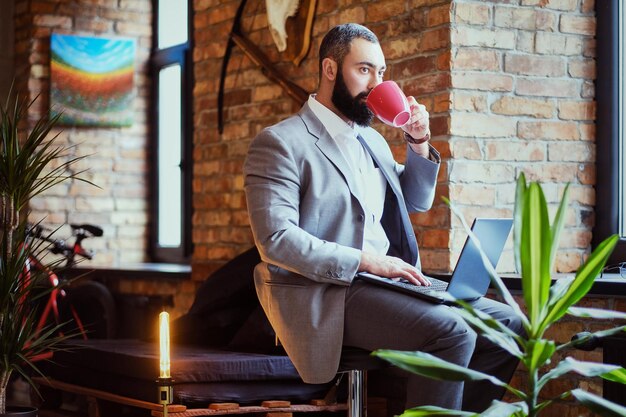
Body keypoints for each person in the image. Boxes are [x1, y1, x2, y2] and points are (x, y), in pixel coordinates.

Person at [243, 23, 522, 412]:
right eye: (364, 70)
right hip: (329, 291)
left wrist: (418, 141)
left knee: (508, 324)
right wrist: (368, 261)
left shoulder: (371, 139)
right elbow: (275, 240)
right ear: (330, 69)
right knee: (452, 331)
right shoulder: (281, 142)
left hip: (385, 282)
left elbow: (415, 200)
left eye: (382, 72)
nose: (376, 83)